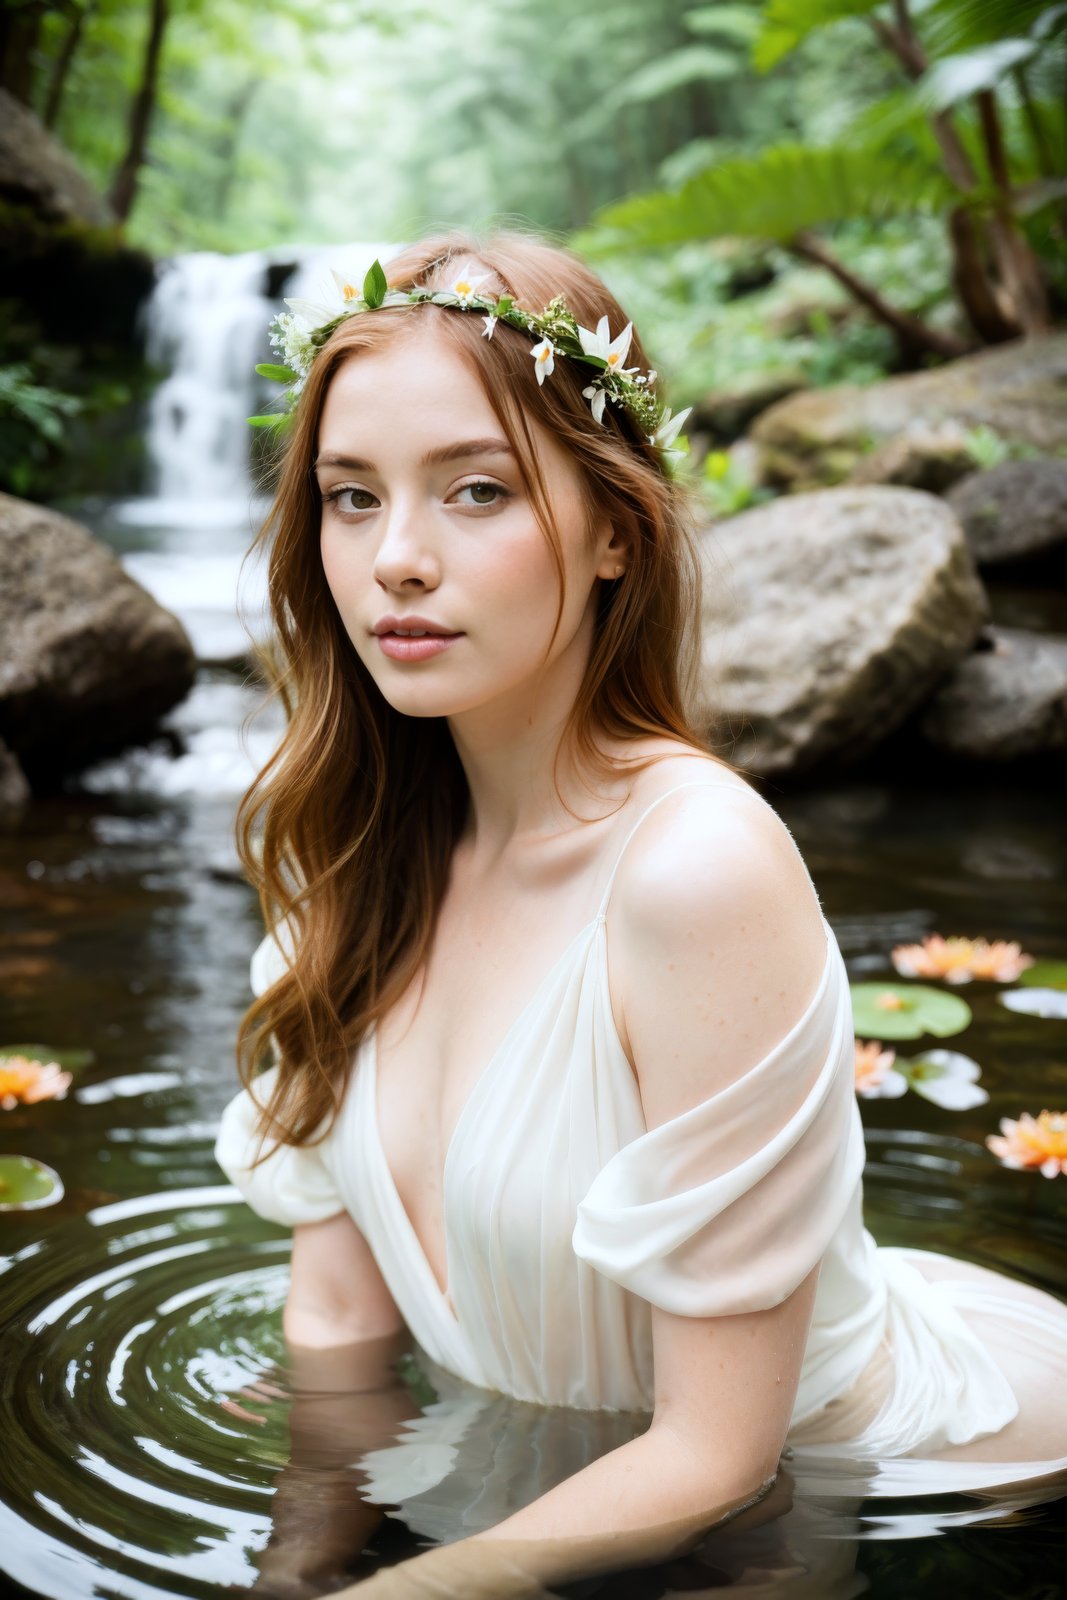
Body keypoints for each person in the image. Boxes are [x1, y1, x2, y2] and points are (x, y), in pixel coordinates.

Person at [215, 228, 1067, 1596]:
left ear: (615, 529)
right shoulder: (346, 851)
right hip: (580, 1490)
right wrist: (292, 1575)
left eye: (476, 491)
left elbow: (720, 1458)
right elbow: (333, 1326)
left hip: (882, 1492)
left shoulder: (694, 873)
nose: (397, 561)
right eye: (351, 497)